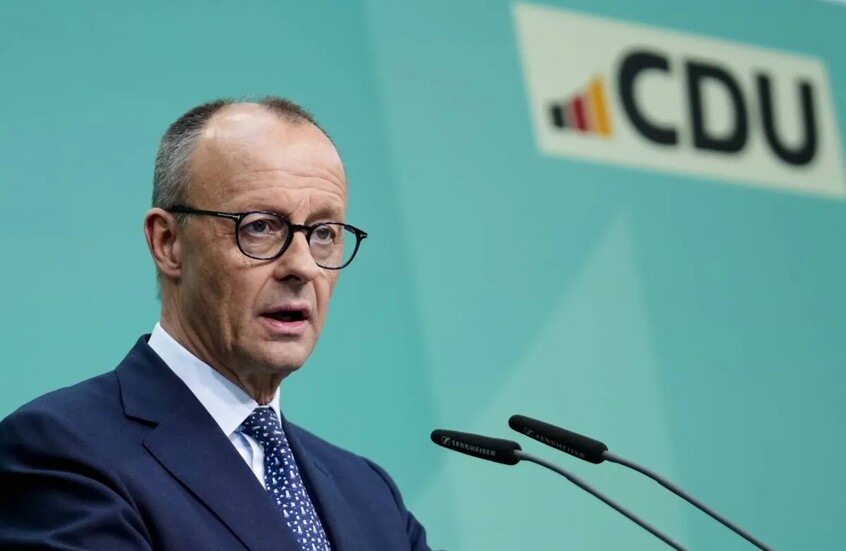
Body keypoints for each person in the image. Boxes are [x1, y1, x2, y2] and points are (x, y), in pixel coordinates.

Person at [0, 98, 434, 551]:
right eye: (260, 227)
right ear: (168, 243)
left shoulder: (371, 497)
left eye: (324, 233)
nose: (303, 266)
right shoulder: (62, 454)